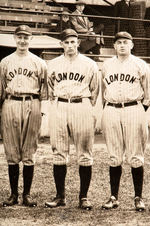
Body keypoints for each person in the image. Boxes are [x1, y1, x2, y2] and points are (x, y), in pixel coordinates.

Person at [45, 28, 100, 210]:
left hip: (81, 105)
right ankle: (60, 196)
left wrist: (85, 106)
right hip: (60, 105)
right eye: (66, 42)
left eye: (73, 41)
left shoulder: (89, 64)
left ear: (78, 42)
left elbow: (94, 91)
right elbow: (50, 88)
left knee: (84, 152)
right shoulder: (52, 64)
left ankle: (83, 197)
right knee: (59, 152)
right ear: (61, 44)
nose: (70, 45)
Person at [101, 31, 150, 211]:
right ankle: (113, 197)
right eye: (119, 42)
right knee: (114, 156)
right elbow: (102, 90)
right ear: (114, 46)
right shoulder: (106, 65)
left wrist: (138, 110)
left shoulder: (141, 65)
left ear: (132, 45)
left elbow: (148, 93)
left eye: (125, 42)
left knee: (135, 156)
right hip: (112, 109)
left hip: (134, 108)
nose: (122, 45)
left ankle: (138, 197)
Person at [0, 25, 48, 207]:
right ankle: (13, 194)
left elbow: (44, 91)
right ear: (14, 38)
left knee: (29, 150)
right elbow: (1, 88)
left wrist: (41, 109)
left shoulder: (39, 63)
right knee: (11, 151)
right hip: (11, 102)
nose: (22, 40)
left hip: (32, 102)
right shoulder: (5, 62)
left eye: (26, 37)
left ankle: (26, 195)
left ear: (31, 39)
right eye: (19, 37)